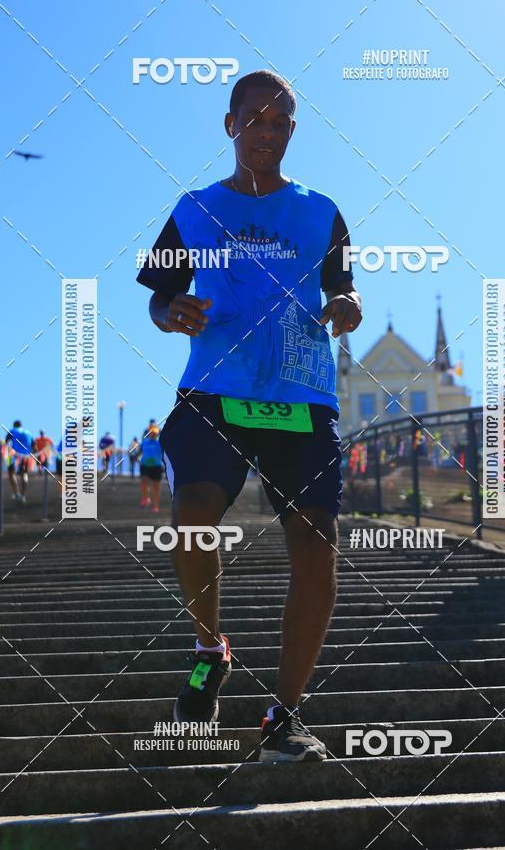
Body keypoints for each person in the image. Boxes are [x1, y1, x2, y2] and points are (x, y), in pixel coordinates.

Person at [137, 69, 362, 763]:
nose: (265, 133)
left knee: (317, 544)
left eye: (278, 123)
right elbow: (157, 295)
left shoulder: (322, 211)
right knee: (195, 515)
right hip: (215, 389)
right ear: (229, 125)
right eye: (253, 120)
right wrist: (169, 312)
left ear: (291, 131)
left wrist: (347, 306)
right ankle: (210, 645)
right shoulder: (196, 208)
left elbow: (342, 285)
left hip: (301, 395)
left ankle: (285, 715)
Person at [5, 420, 33, 503]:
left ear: (14, 425)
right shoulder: (28, 432)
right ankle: (23, 495)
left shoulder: (12, 431)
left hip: (15, 456)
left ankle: (16, 493)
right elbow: (34, 446)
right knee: (24, 474)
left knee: (11, 473)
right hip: (26, 456)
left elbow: (7, 442)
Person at [139, 426, 163, 512]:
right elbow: (139, 451)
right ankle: (146, 499)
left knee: (156, 487)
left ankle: (155, 506)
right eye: (152, 432)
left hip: (156, 467)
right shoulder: (144, 442)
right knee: (144, 481)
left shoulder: (160, 443)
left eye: (155, 433)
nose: (153, 434)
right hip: (145, 466)